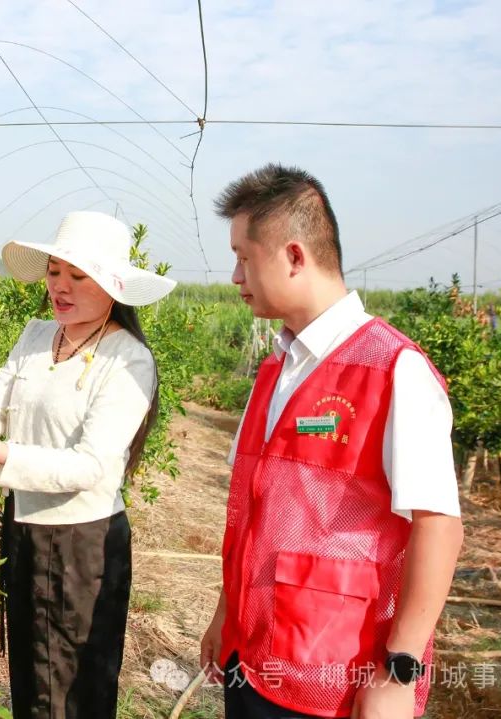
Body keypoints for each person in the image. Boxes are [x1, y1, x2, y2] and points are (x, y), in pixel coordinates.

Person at [199, 164, 464, 719]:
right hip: (254, 657)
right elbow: (251, 511)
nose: (235, 276)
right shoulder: (275, 370)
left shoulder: (394, 369)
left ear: (294, 256)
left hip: (337, 677)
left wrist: (400, 670)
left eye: (244, 257)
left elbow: (437, 525)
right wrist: (226, 614)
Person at [0, 210, 176, 719]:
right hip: (22, 525)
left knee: (73, 683)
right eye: (54, 272)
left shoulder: (127, 359)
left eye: (78, 276)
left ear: (112, 287)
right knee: (31, 671)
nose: (60, 287)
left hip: (82, 542)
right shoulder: (38, 335)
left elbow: (91, 466)